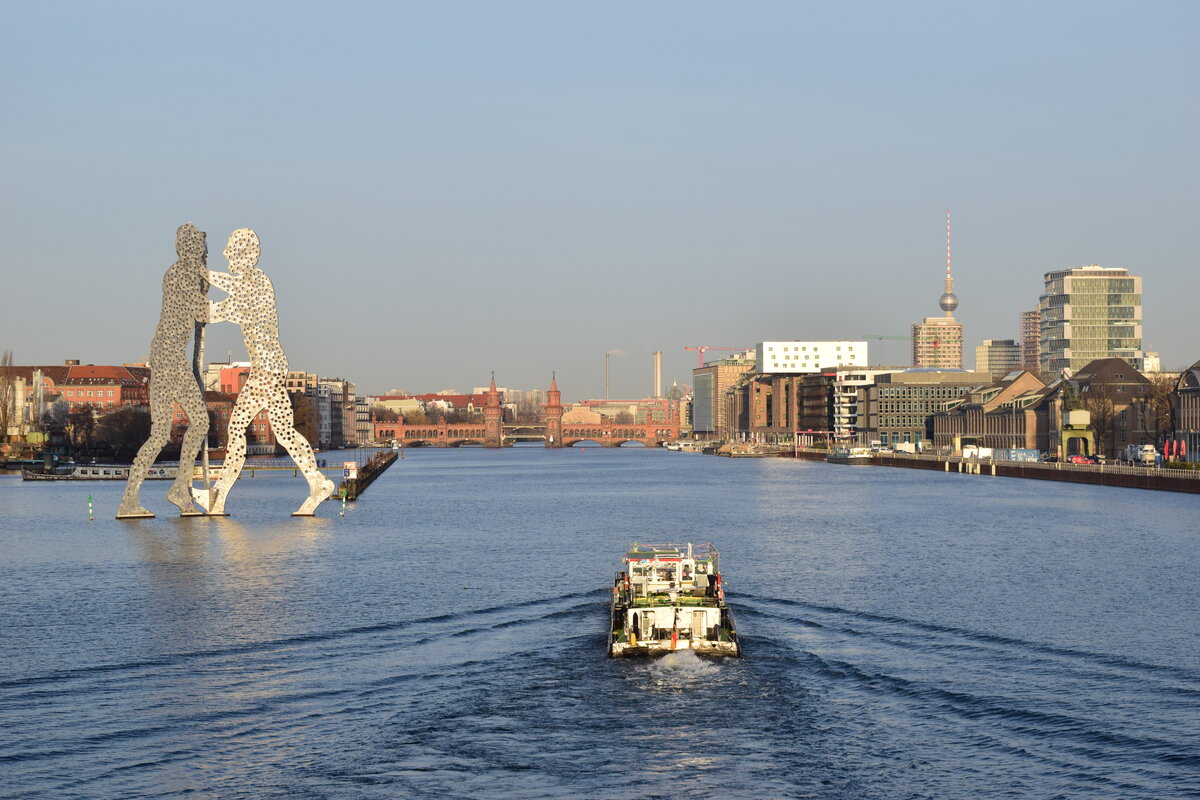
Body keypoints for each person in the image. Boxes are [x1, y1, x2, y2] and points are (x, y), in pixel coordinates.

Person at [193, 228, 334, 516]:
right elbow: (226, 298)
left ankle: (218, 498)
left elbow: (219, 310)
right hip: (270, 367)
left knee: (236, 429)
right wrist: (202, 278)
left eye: (230, 249)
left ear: (245, 254)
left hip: (267, 370)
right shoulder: (249, 284)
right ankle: (318, 482)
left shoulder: (256, 282)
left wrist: (199, 279)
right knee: (284, 433)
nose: (225, 254)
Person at [117, 224, 210, 518]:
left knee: (167, 432)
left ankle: (153, 494)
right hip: (170, 358)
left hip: (167, 356)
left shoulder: (181, 273)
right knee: (192, 424)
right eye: (202, 249)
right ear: (190, 249)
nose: (204, 254)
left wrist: (204, 282)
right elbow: (203, 312)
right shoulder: (182, 274)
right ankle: (167, 491)